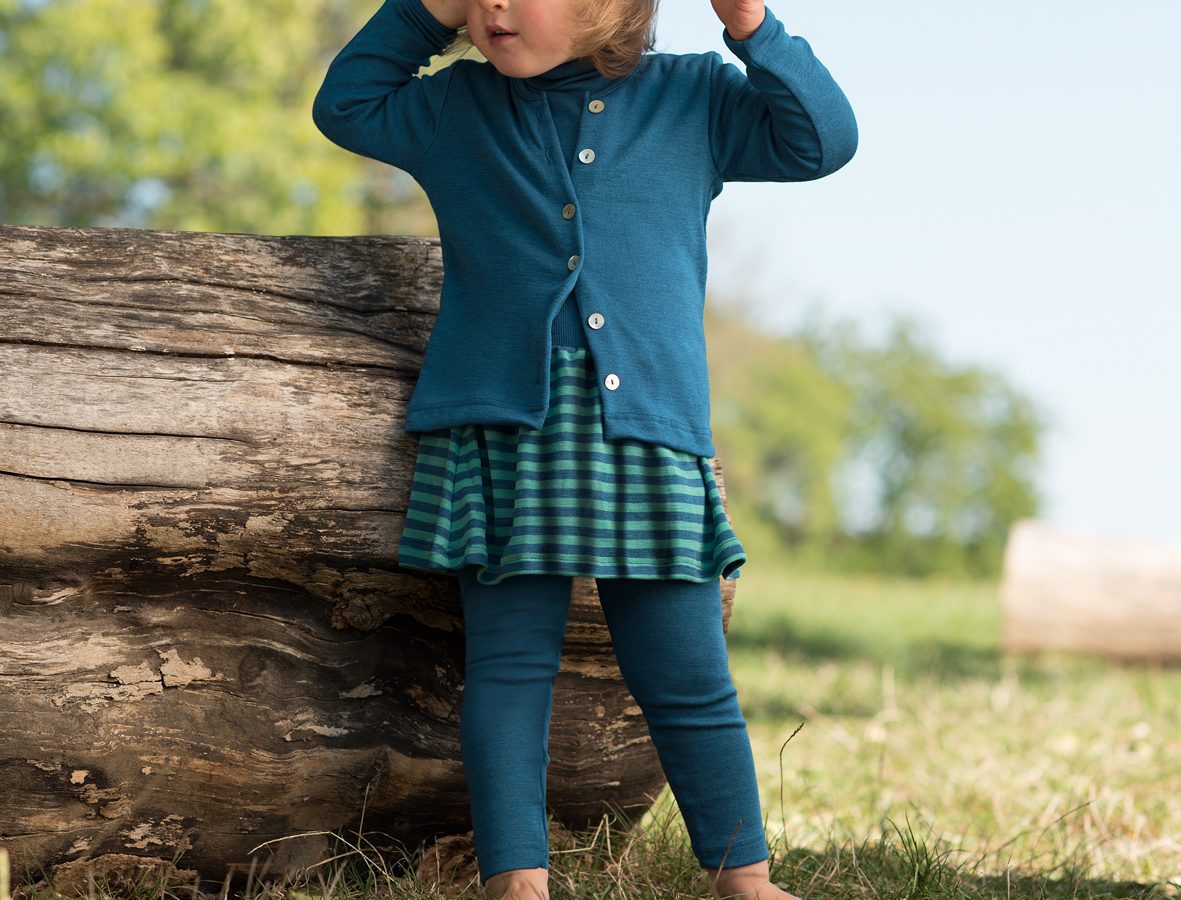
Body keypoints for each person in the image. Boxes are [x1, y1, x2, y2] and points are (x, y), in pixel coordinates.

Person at [312, 0, 856, 895]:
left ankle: (744, 877)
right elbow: (346, 103)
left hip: (646, 428)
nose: (492, 4)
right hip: (502, 427)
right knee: (508, 668)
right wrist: (428, 10)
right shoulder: (452, 107)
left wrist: (751, 24)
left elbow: (821, 142)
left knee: (686, 674)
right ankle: (516, 880)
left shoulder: (692, 97)